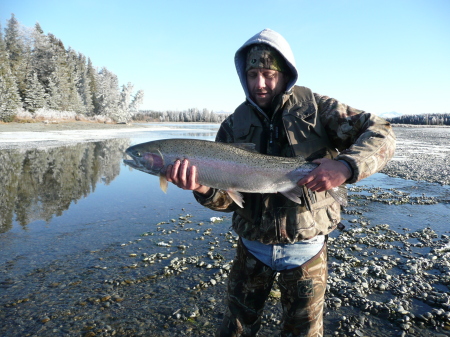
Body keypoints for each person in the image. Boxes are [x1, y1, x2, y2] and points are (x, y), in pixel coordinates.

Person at [165, 28, 396, 337]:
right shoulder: (233, 125)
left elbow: (382, 132)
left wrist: (345, 167)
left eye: (268, 74)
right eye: (252, 74)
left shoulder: (317, 108)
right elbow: (225, 201)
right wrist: (202, 188)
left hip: (307, 252)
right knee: (234, 330)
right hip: (252, 250)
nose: (259, 84)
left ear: (285, 73)